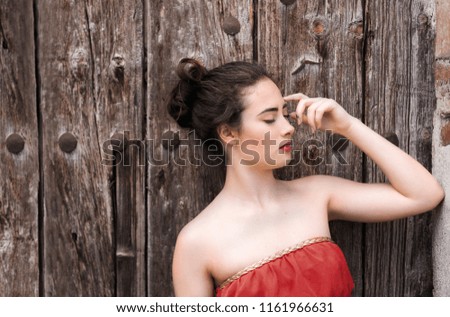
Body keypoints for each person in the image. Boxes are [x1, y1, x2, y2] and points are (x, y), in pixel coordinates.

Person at [167, 58, 445, 297]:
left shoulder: (317, 194)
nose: (288, 128)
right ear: (228, 133)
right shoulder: (196, 242)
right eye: (269, 118)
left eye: (286, 115)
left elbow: (424, 195)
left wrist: (348, 125)